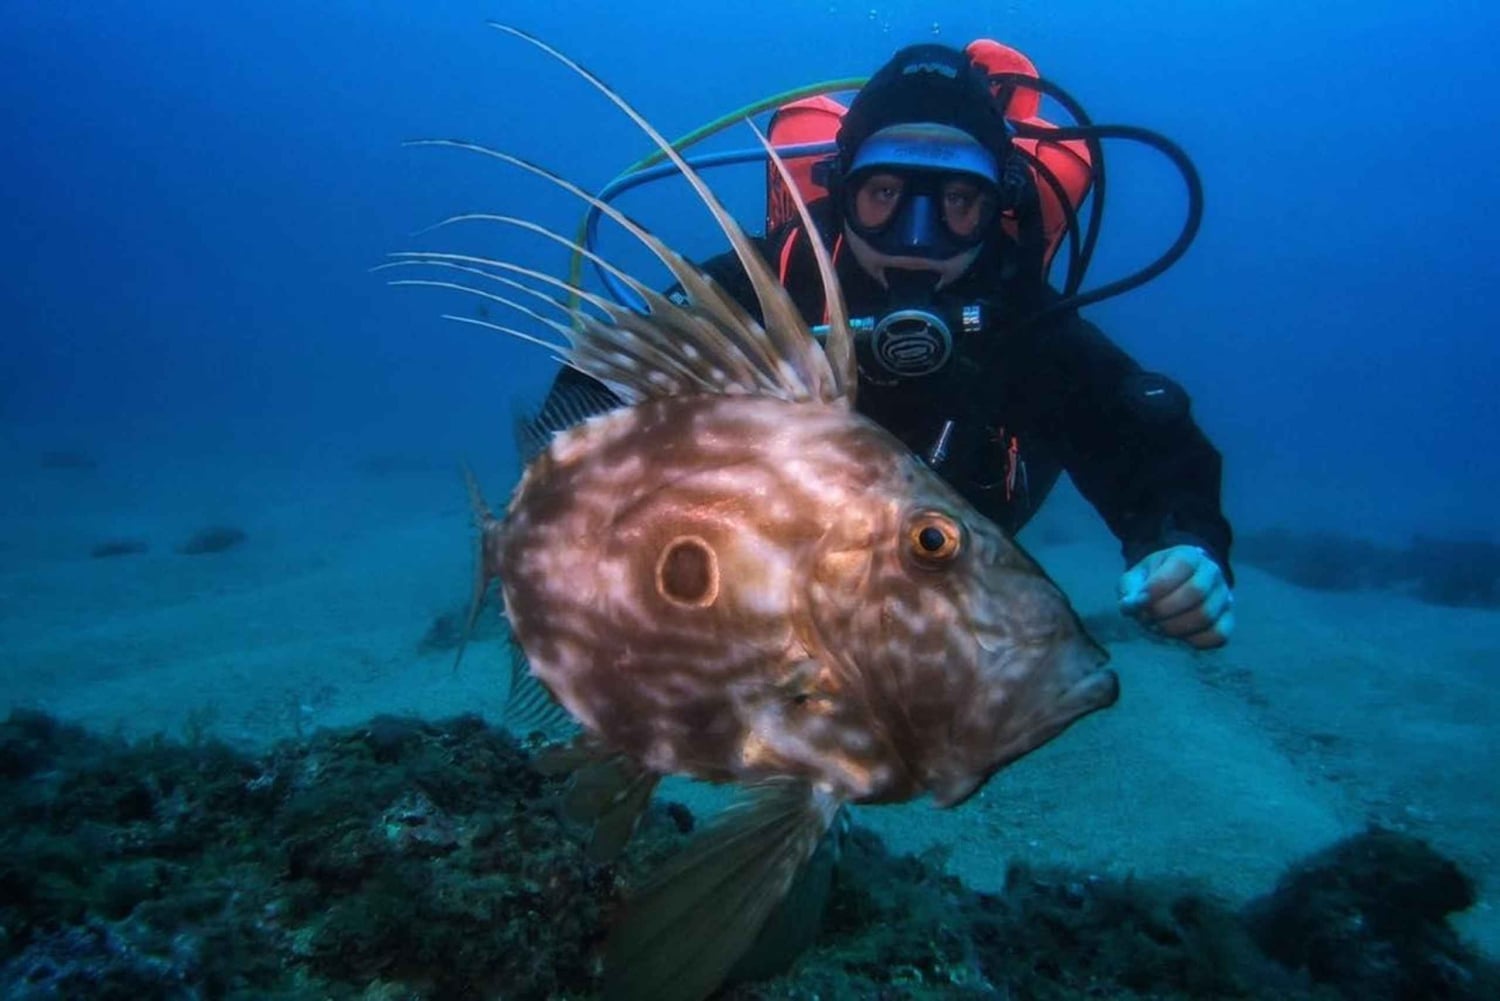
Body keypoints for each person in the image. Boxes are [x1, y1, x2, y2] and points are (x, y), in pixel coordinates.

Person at [543, 41, 1235, 649]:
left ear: (999, 208)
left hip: (954, 558)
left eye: (959, 201)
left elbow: (1144, 437)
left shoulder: (1024, 316)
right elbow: (604, 379)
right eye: (884, 193)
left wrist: (1182, 545)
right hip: (760, 572)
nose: (916, 238)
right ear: (840, 192)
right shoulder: (772, 279)